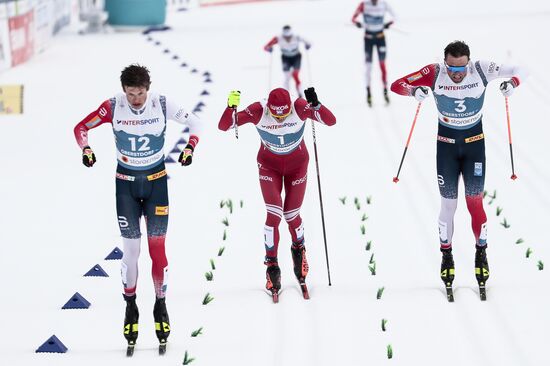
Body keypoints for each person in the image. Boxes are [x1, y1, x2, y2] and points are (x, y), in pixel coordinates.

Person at [73, 64, 202, 352]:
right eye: (130, 94)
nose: (136, 99)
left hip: (156, 184)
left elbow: (196, 123)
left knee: (158, 250)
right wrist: (86, 148)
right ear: (123, 91)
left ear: (148, 88)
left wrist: (190, 147)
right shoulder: (111, 107)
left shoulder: (162, 103)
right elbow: (81, 127)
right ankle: (130, 306)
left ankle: (160, 305)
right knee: (131, 253)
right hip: (126, 186)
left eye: (140, 93)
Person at [390, 41, 525, 298]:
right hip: (447, 148)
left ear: (469, 62)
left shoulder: (482, 69)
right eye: (452, 68)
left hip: (475, 146)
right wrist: (413, 92)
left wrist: (513, 84)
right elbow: (396, 85)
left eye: (461, 69)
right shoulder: (433, 72)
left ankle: (481, 253)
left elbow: (522, 69)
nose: (457, 74)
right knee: (448, 206)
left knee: (475, 203)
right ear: (445, 63)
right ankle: (447, 256)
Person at [218, 87, 336, 300]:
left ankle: (299, 251)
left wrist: (316, 105)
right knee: (273, 216)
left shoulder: (299, 106)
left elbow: (331, 121)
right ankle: (272, 265)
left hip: (297, 166)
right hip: (268, 166)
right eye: (276, 115)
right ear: (269, 109)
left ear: (290, 106)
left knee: (292, 216)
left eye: (284, 114)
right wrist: (230, 107)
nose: (280, 119)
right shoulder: (258, 110)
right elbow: (224, 125)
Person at [351, 0, 396, 106]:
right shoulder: (364, 4)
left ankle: (385, 92)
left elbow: (396, 17)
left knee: (382, 66)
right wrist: (358, 23)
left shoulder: (383, 4)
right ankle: (368, 93)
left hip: (380, 38)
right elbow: (353, 18)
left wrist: (388, 24)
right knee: (368, 67)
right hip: (368, 39)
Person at [264, 25, 311, 97]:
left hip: (296, 57)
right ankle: (286, 94)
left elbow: (308, 43)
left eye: (289, 36)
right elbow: (266, 47)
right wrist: (269, 49)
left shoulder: (297, 37)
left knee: (295, 75)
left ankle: (299, 93)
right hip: (285, 58)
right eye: (286, 37)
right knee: (287, 76)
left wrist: (307, 45)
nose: (287, 38)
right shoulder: (278, 38)